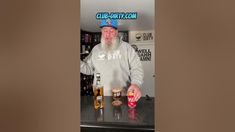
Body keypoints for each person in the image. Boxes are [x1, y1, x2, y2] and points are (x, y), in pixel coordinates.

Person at [80, 19, 144, 102]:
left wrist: (136, 84)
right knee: (100, 115)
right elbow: (89, 69)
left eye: (111, 31)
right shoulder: (96, 49)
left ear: (116, 32)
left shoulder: (126, 48)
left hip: (123, 96)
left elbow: (137, 68)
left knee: (123, 115)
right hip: (99, 97)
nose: (108, 34)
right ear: (101, 32)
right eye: (105, 30)